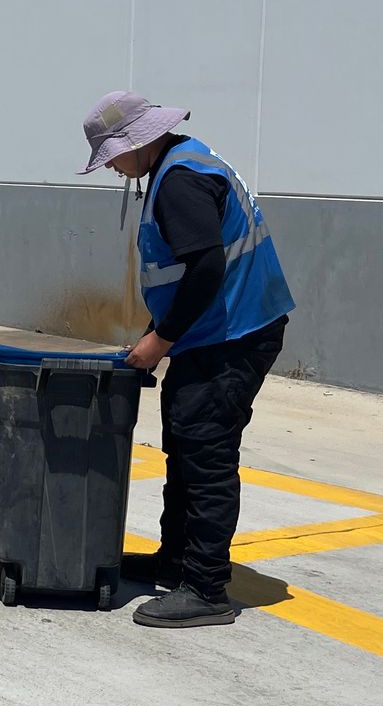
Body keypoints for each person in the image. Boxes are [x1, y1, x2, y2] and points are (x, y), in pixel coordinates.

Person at [77, 91, 295, 629]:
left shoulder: (179, 182)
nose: (113, 171)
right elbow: (187, 274)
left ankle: (205, 587)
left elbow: (205, 271)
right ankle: (175, 558)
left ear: (138, 142)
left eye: (113, 158)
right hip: (216, 333)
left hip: (232, 336)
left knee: (206, 456)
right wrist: (157, 333)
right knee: (185, 440)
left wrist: (160, 340)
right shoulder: (185, 161)